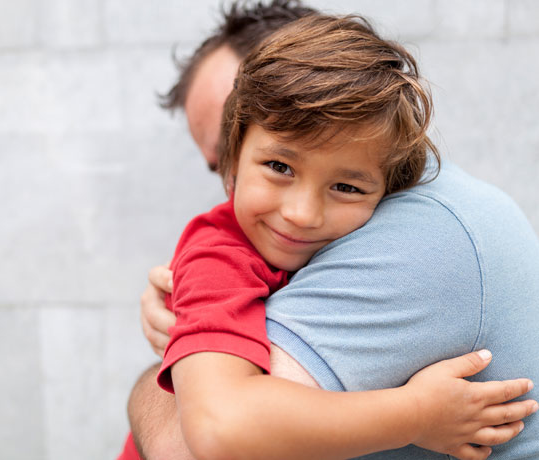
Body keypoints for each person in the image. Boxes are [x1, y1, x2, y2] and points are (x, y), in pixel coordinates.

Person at [124, 3, 539, 460]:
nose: (302, 213)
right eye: (279, 166)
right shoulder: (218, 260)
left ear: (390, 186)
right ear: (232, 164)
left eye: (345, 186)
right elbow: (219, 429)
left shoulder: (423, 229)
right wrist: (415, 414)